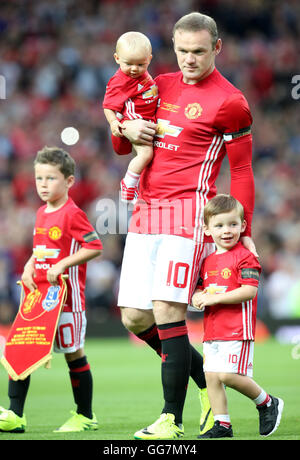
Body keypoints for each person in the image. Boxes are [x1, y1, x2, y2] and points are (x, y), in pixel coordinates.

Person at [111, 12, 258, 440]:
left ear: (217, 47)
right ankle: (202, 386)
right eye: (182, 51)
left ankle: (170, 419)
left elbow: (243, 168)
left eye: (198, 51)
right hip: (145, 212)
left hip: (188, 215)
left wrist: (242, 226)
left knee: (168, 310)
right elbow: (123, 146)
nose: (189, 59)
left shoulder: (230, 101)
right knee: (136, 319)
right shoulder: (158, 85)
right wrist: (126, 128)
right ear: (171, 49)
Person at [0, 147, 102, 433]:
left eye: (51, 178)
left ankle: (85, 415)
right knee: (21, 347)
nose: (43, 185)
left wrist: (62, 265)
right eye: (39, 178)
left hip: (67, 299)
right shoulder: (41, 212)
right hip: (39, 296)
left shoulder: (73, 213)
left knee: (74, 354)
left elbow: (94, 247)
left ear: (69, 181)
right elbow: (40, 249)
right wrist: (29, 266)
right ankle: (15, 414)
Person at [192, 194, 284, 438]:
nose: (226, 230)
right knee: (211, 376)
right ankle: (222, 425)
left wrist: (214, 298)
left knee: (228, 375)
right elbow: (200, 289)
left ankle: (267, 402)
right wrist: (197, 297)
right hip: (212, 329)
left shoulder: (245, 256)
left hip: (237, 327)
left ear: (243, 226)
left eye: (233, 224)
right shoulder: (207, 260)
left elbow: (249, 290)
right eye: (219, 225)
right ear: (207, 229)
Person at [103, 31, 158, 202]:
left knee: (150, 157)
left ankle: (138, 186)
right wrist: (114, 123)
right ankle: (128, 184)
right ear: (117, 58)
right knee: (146, 154)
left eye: (140, 64)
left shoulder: (141, 75)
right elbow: (108, 105)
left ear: (149, 58)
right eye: (129, 63)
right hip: (134, 122)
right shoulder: (121, 80)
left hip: (147, 120)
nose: (134, 69)